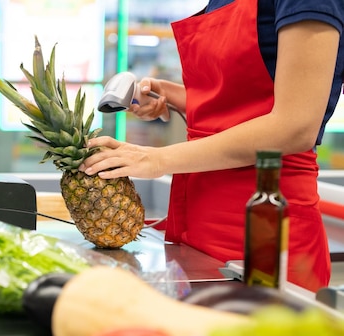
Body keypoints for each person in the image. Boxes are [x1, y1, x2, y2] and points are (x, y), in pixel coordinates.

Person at [80, 0, 344, 292]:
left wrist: (156, 159)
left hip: (266, 228)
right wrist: (172, 95)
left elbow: (295, 126)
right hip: (200, 224)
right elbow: (243, 110)